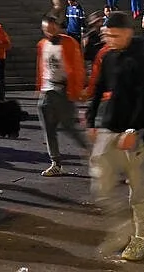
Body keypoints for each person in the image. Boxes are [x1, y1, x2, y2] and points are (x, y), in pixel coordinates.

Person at [86, 11, 144, 262]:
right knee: (100, 183)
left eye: (114, 35)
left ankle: (141, 239)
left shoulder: (143, 60)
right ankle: (123, 228)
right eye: (106, 35)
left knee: (137, 188)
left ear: (127, 33)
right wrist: (91, 120)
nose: (109, 40)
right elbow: (99, 89)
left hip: (134, 133)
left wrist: (133, 129)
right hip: (108, 126)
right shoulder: (108, 56)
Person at [36, 15, 86, 177]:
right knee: (48, 128)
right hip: (47, 90)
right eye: (46, 30)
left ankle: (95, 155)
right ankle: (55, 162)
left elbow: (77, 67)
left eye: (52, 29)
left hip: (63, 90)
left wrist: (76, 91)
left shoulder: (69, 42)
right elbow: (42, 67)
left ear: (58, 27)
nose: (50, 33)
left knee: (69, 127)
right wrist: (40, 86)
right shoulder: (42, 44)